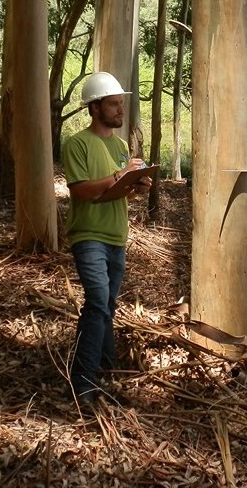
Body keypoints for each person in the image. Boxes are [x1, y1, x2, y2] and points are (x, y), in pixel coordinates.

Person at [62, 72, 152, 405]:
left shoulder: (118, 145)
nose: (120, 110)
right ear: (95, 107)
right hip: (88, 236)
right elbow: (82, 191)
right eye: (113, 105)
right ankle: (83, 382)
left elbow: (114, 192)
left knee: (107, 307)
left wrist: (135, 186)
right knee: (98, 303)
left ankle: (107, 366)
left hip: (116, 236)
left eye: (121, 104)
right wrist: (120, 174)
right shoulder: (77, 143)